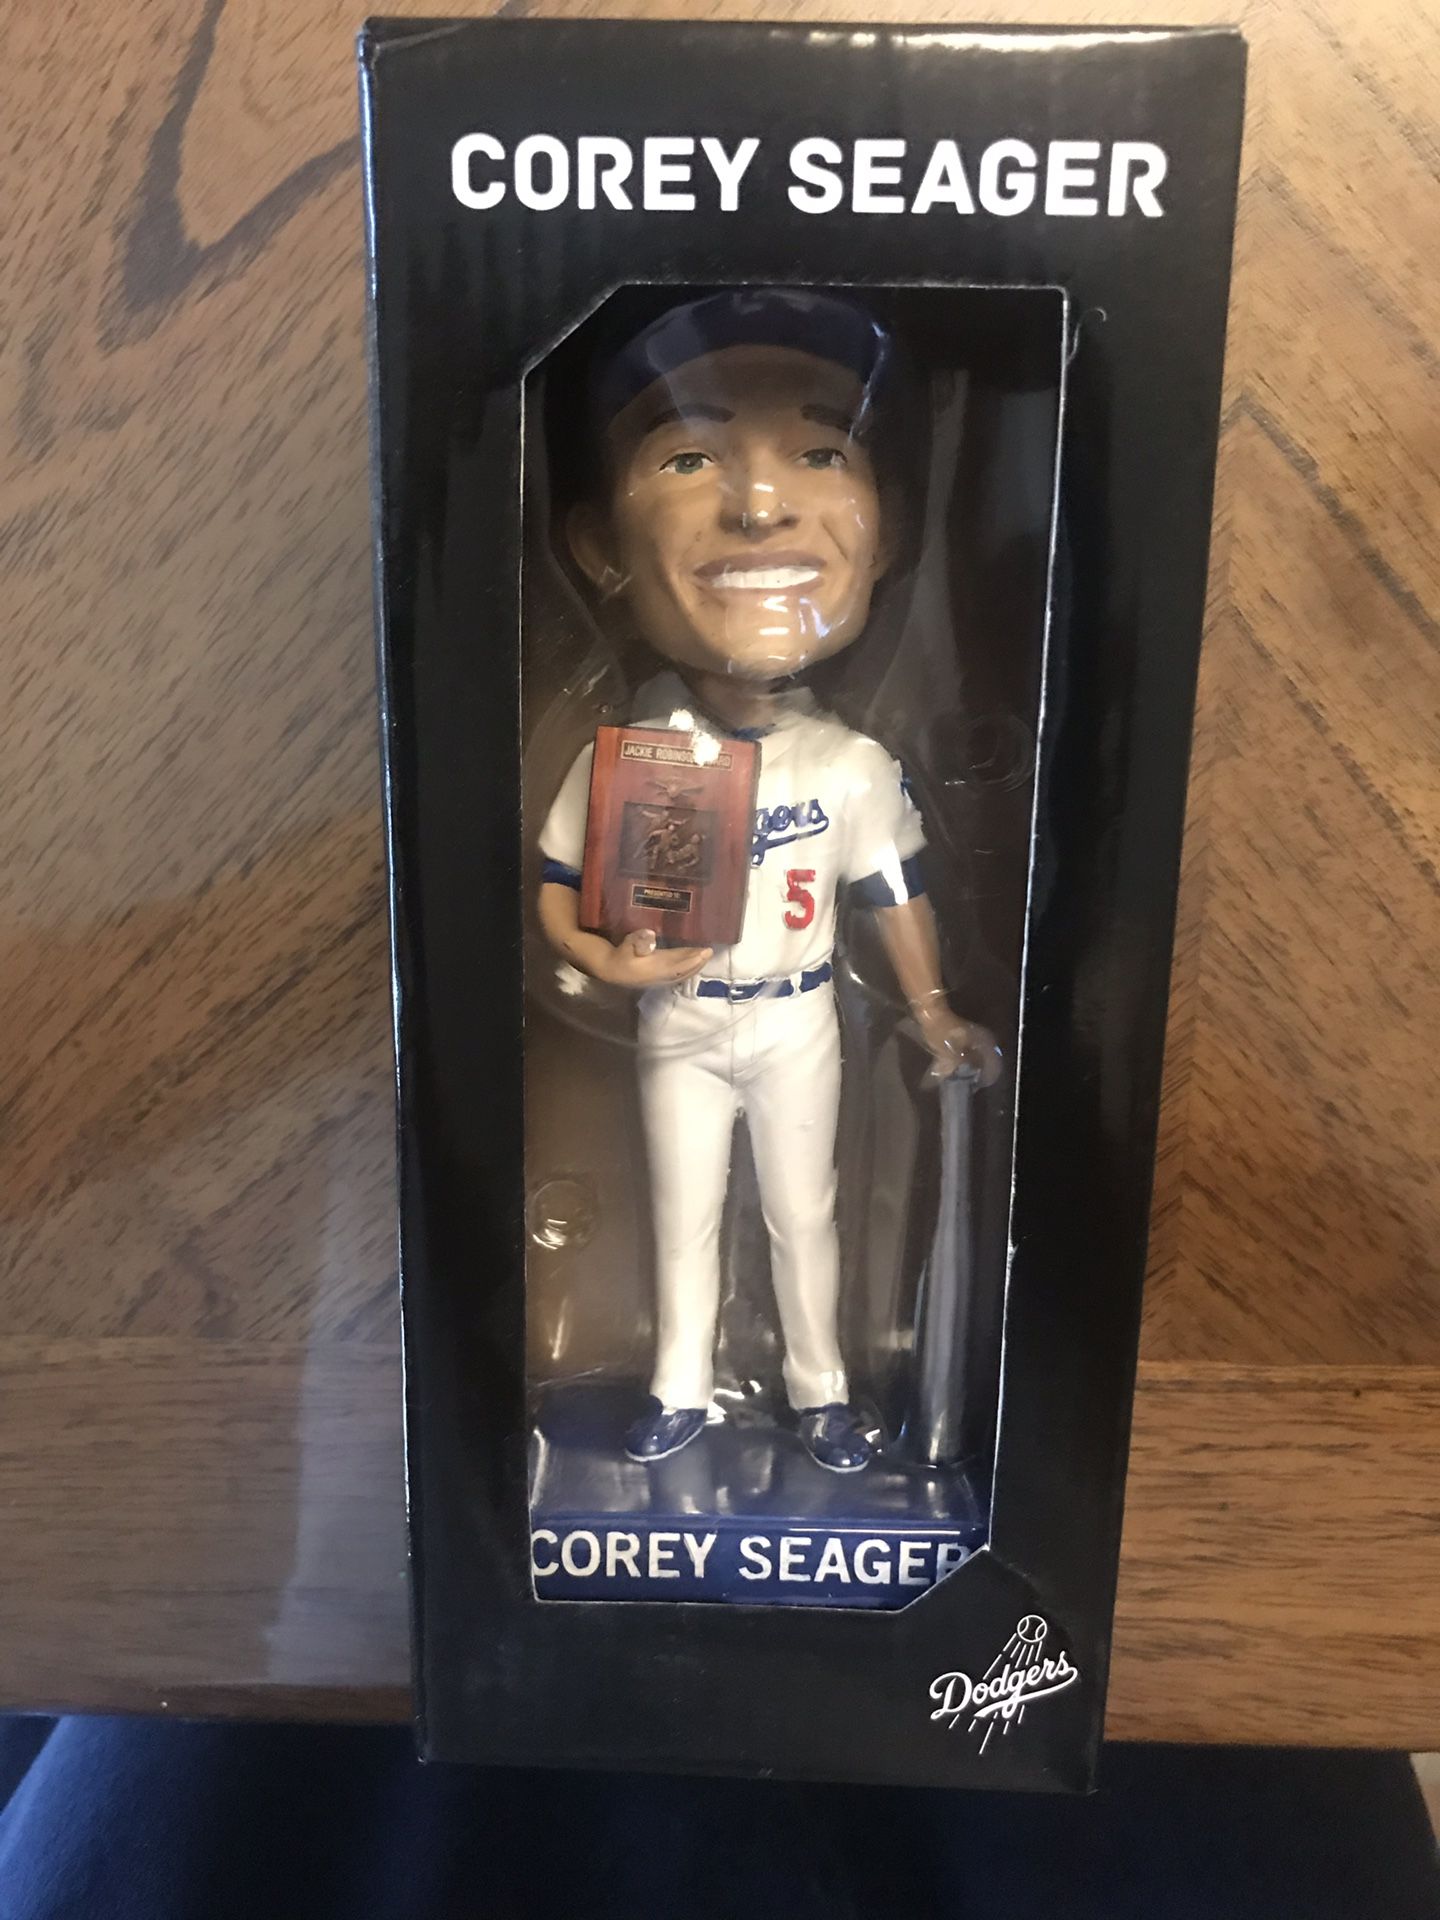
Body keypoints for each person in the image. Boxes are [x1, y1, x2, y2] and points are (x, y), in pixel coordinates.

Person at [536, 289, 999, 1473]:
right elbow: (556, 883)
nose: (756, 503)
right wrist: (599, 956)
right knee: (683, 1218)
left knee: (805, 1216)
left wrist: (932, 1009)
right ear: (599, 548)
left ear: (886, 532)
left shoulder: (849, 763)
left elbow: (894, 895)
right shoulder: (638, 754)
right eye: (690, 456)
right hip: (679, 1015)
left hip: (798, 1020)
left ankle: (822, 1394)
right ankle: (680, 1389)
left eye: (818, 452)